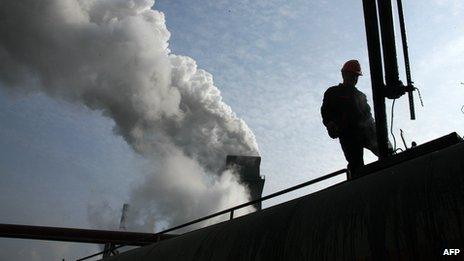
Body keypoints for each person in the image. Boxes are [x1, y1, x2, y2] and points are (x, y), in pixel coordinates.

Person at [321, 60, 379, 175]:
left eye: (356, 76)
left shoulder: (360, 96)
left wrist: (376, 130)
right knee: (356, 166)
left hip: (365, 131)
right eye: (352, 75)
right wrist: (330, 124)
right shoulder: (333, 93)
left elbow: (368, 116)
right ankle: (358, 184)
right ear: (344, 74)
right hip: (348, 135)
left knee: (385, 150)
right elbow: (326, 112)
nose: (354, 78)